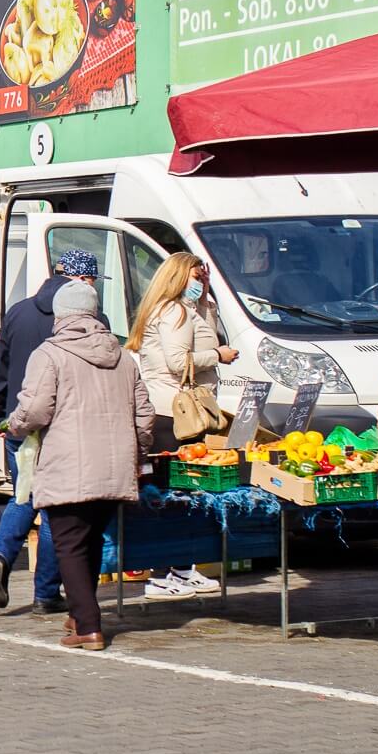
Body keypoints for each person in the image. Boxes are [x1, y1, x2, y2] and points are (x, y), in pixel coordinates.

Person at [4, 281, 154, 651]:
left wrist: (15, 425)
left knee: (69, 544)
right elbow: (144, 416)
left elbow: (35, 409)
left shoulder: (49, 354)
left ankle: (88, 626)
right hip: (115, 467)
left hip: (68, 464)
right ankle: (78, 614)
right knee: (89, 540)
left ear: (59, 315)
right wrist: (138, 453)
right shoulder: (123, 356)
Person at [0, 249, 100, 614]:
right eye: (92, 280)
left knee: (23, 496)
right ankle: (47, 593)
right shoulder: (90, 319)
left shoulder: (18, 312)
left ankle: (1, 555)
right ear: (82, 279)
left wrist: (1, 418)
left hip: (20, 423)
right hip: (63, 427)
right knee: (54, 510)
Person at [128, 253, 236, 598]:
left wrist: (206, 301)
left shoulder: (179, 309)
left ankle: (181, 567)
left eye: (204, 277)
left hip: (177, 412)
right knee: (173, 494)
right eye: (196, 276)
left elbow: (201, 335)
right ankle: (162, 573)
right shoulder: (173, 311)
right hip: (174, 414)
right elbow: (178, 362)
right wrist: (218, 356)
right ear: (178, 276)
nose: (201, 281)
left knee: (183, 494)